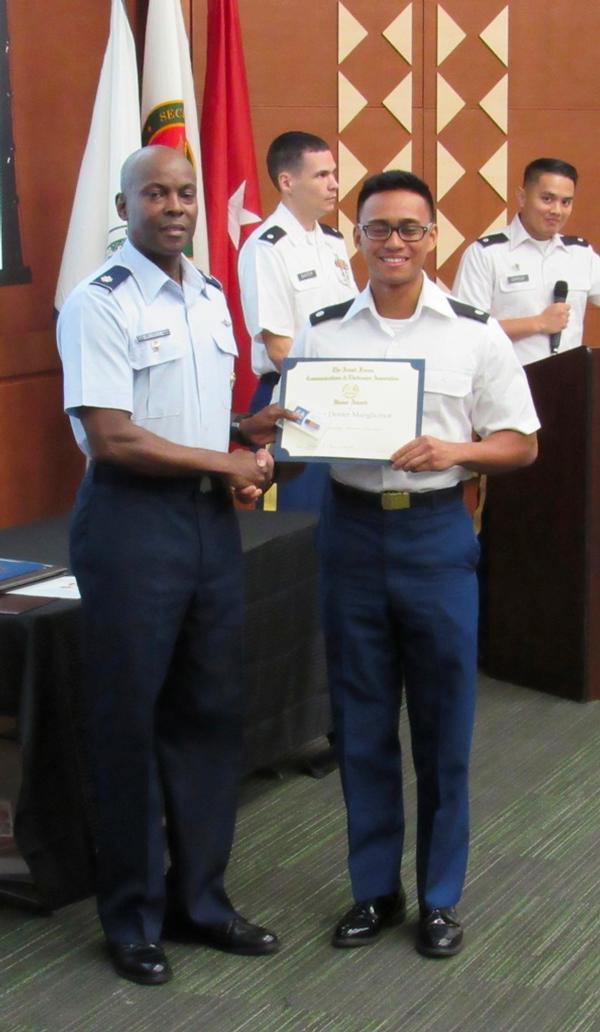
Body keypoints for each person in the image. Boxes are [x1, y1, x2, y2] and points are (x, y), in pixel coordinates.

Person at [56, 145, 294, 986]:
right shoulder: (99, 303)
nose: (175, 205)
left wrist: (240, 434)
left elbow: (187, 415)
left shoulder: (211, 293)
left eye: (186, 192)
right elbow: (114, 434)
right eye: (155, 194)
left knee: (209, 716)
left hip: (205, 533)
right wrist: (223, 465)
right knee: (128, 725)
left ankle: (200, 900)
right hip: (131, 531)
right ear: (125, 209)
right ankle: (131, 917)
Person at [289, 170, 539, 957]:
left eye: (409, 229)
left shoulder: (473, 331)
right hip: (351, 535)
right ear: (355, 237)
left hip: (436, 536)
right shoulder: (324, 331)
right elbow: (297, 429)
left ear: (434, 238)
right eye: (377, 229)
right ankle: (374, 890)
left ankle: (438, 897)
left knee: (441, 728)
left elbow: (521, 442)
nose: (393, 242)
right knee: (359, 725)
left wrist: (455, 449)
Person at [238, 130, 357, 509]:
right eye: (321, 175)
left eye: (334, 173)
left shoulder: (334, 241)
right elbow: (278, 347)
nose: (335, 184)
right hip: (292, 401)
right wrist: (327, 394)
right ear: (287, 182)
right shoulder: (267, 246)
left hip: (341, 400)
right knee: (296, 523)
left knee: (341, 516)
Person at [453, 157, 600, 366]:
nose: (557, 210)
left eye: (566, 202)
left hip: (570, 388)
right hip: (505, 388)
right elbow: (466, 330)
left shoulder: (580, 254)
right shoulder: (486, 254)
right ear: (522, 197)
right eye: (547, 199)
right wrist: (538, 323)